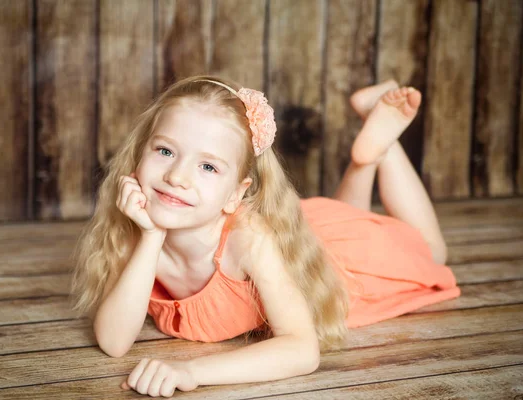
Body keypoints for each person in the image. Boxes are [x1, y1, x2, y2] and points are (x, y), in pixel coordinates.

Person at [71, 75, 460, 397]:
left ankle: (381, 150)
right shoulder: (136, 225)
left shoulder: (248, 242)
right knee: (351, 217)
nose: (177, 177)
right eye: (165, 152)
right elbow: (114, 342)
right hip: (306, 232)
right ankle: (368, 155)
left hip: (341, 269)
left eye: (208, 166)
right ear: (139, 155)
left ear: (235, 195)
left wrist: (192, 373)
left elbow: (302, 349)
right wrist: (151, 237)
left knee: (432, 252)